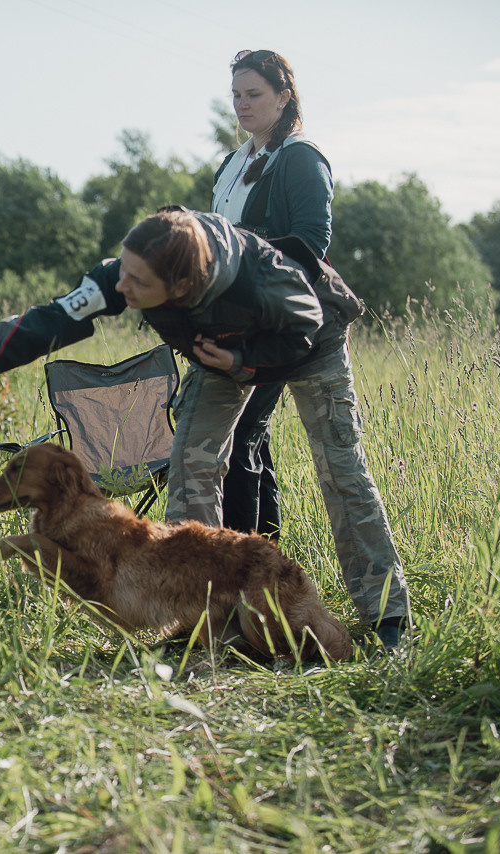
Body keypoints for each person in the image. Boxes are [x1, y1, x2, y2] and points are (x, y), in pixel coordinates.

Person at [0, 207, 411, 647]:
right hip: (218, 350)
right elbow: (54, 318)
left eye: (138, 283)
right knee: (190, 460)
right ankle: (201, 621)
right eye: (123, 272)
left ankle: (386, 617)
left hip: (308, 341)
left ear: (181, 286)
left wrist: (242, 361)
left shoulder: (262, 281)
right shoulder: (129, 275)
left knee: (340, 470)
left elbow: (304, 326)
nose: (122, 287)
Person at [212, 49, 334, 543]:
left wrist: (255, 284)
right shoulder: (232, 162)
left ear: (283, 98)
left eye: (253, 94)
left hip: (279, 321)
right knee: (248, 436)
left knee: (241, 433)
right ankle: (265, 555)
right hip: (229, 321)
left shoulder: (300, 157)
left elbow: (312, 242)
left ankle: (245, 561)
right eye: (236, 95)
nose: (241, 104)